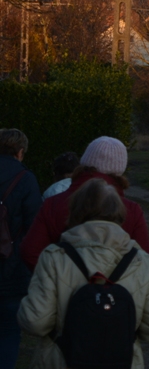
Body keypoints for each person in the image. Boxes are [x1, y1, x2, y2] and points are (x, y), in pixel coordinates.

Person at [18, 178, 149, 369]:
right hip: (121, 362)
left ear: (76, 211)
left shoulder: (55, 257)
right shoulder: (143, 262)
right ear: (120, 214)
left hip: (63, 360)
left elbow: (35, 321)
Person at [21, 136, 149, 270]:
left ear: (85, 163)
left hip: (63, 281)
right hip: (117, 282)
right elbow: (144, 262)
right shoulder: (132, 210)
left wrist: (57, 276)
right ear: (120, 169)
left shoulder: (53, 204)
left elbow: (30, 252)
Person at [0, 130, 41, 369]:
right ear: (20, 152)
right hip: (12, 269)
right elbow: (34, 227)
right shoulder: (25, 179)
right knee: (8, 332)